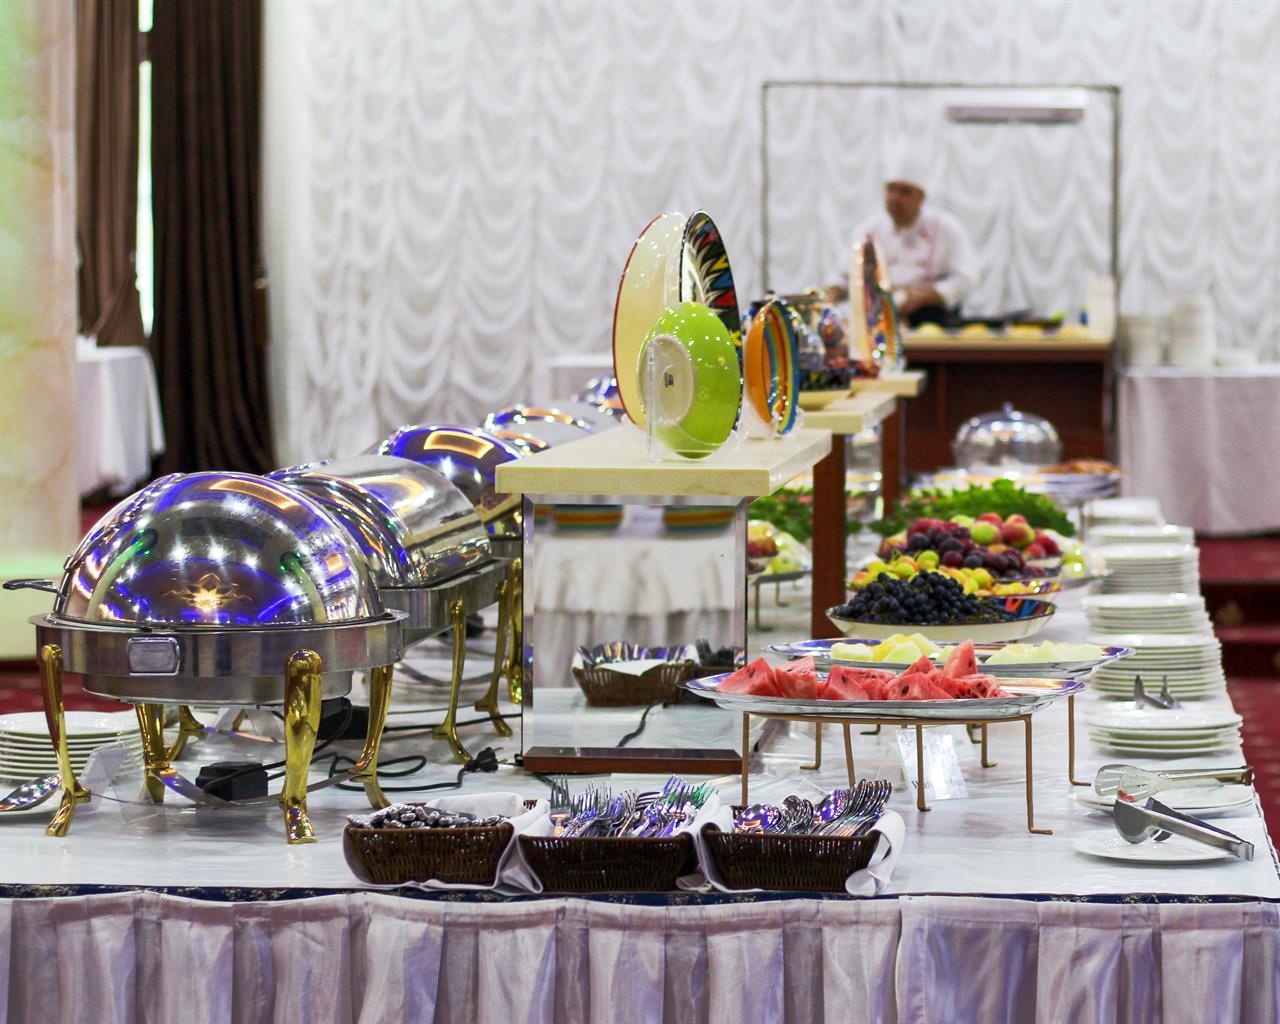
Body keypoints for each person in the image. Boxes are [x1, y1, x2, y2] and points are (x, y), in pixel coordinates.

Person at [828, 151, 977, 327]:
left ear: (921, 198)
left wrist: (925, 296)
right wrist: (830, 299)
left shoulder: (946, 228)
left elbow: (966, 280)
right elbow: (844, 276)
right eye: (891, 189)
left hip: (932, 322)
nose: (896, 198)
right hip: (878, 323)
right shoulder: (869, 230)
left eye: (905, 192)